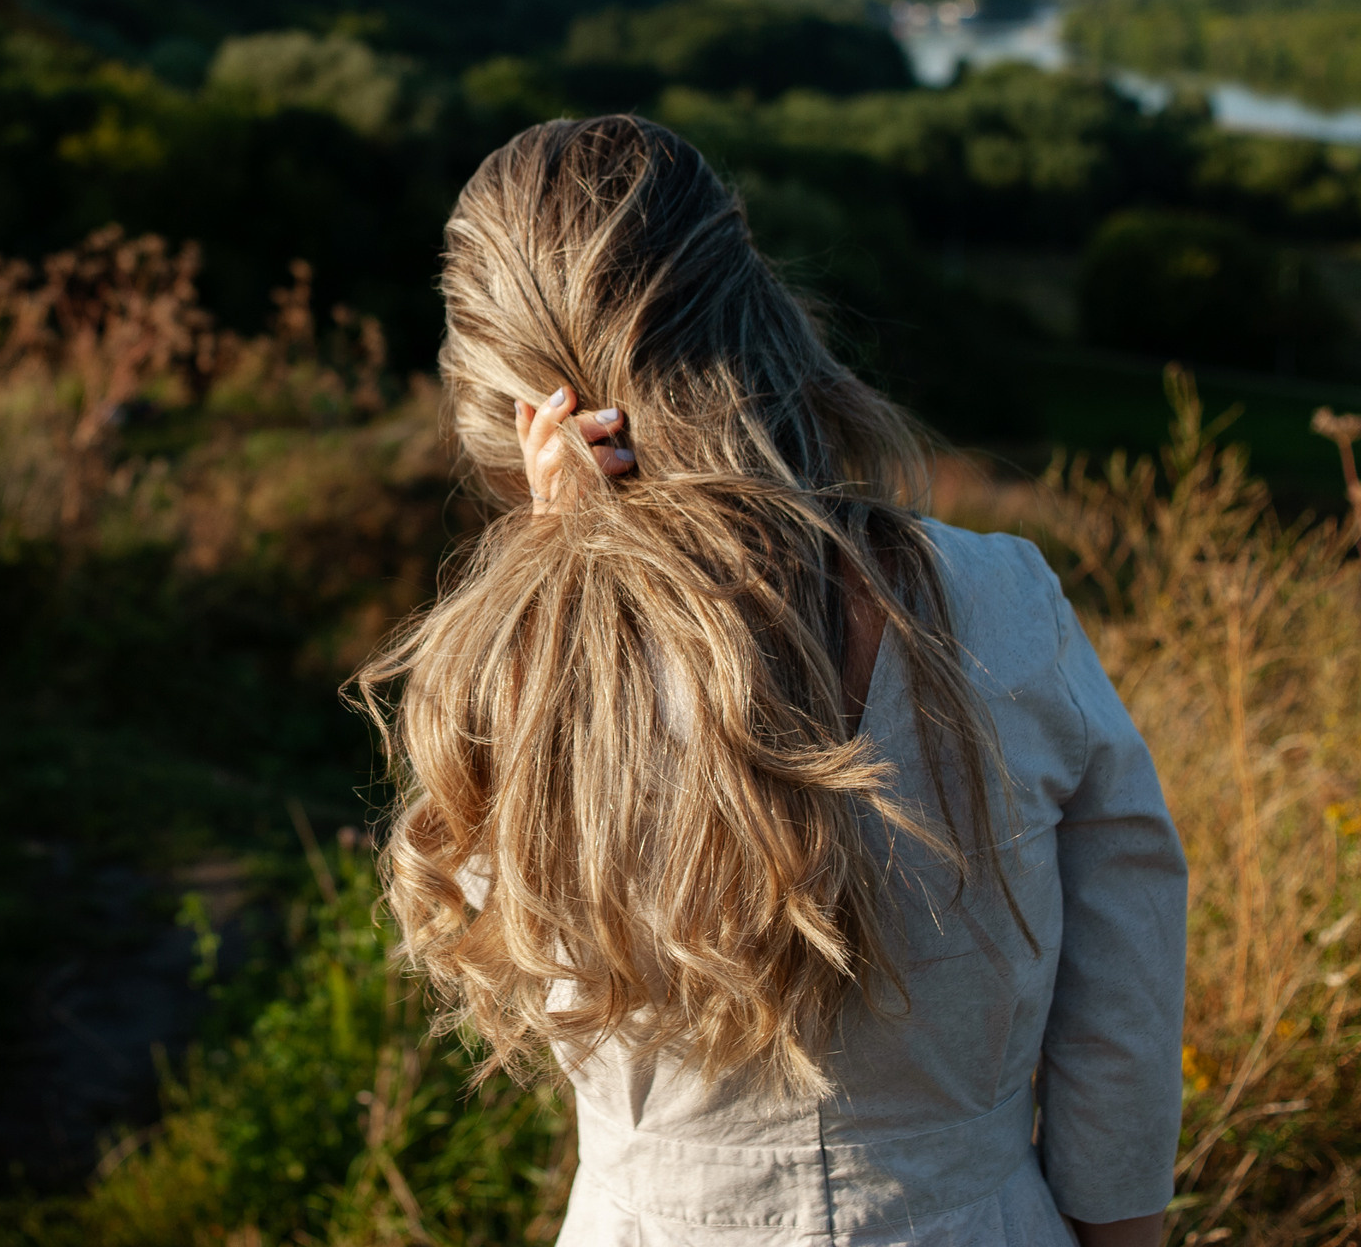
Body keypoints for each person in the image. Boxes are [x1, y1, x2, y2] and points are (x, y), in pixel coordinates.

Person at [356, 116, 1187, 1247]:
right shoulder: (1003, 602)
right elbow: (1122, 1003)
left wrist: (562, 580)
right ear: (762, 329)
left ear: (507, 408)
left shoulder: (506, 670)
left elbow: (530, 960)